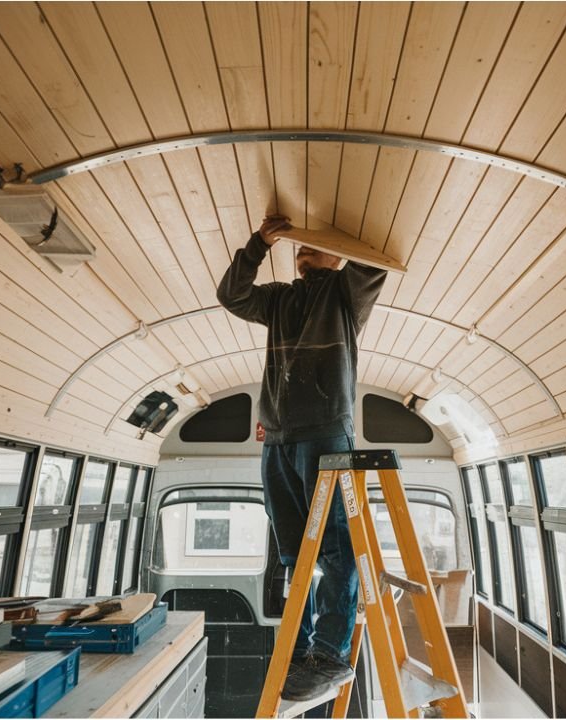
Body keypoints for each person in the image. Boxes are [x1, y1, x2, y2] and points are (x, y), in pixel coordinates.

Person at [217, 214, 387, 702]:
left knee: (336, 548)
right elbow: (232, 295)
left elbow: (375, 260)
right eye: (300, 247)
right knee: (295, 552)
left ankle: (330, 655)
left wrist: (339, 237)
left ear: (335, 254)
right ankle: (299, 648)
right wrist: (259, 243)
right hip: (276, 440)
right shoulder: (279, 299)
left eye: (317, 246)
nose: (304, 251)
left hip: (326, 435)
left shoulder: (345, 296)